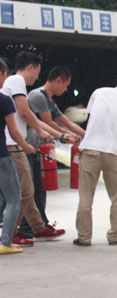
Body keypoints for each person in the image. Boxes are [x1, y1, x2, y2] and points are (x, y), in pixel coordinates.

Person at [2, 51, 66, 247]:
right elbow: (25, 112)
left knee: (21, 192)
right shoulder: (17, 82)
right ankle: (11, 234)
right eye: (37, 72)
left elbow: (29, 116)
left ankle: (38, 227)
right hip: (14, 147)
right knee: (24, 193)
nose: (37, 77)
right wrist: (35, 136)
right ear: (30, 67)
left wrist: (54, 134)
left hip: (14, 145)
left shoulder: (12, 82)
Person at [73, 69, 117, 246]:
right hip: (115, 152)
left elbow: (94, 116)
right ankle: (114, 236)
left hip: (90, 150)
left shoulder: (99, 92)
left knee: (86, 197)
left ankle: (84, 237)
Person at [18, 66, 83, 238]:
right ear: (58, 80)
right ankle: (25, 229)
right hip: (29, 146)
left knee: (39, 189)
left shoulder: (48, 100)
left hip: (37, 148)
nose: (66, 89)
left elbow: (65, 121)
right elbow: (48, 124)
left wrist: (87, 135)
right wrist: (64, 136)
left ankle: (41, 224)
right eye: (66, 85)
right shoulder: (38, 96)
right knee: (28, 191)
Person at [0, 59, 36, 254]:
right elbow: (14, 132)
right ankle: (6, 242)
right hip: (2, 156)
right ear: (1, 74)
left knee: (2, 198)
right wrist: (26, 146)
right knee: (15, 197)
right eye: (5, 75)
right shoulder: (4, 100)